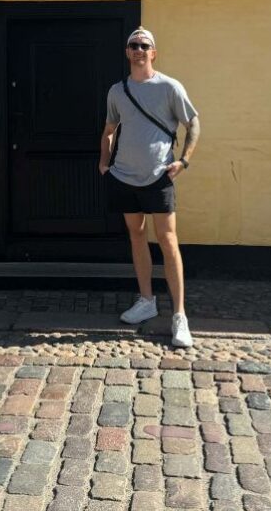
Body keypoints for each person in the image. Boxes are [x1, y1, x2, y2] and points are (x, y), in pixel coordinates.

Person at [98, 27, 201, 348]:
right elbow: (110, 128)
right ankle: (146, 300)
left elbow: (193, 122)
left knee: (168, 241)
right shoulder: (117, 91)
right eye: (134, 45)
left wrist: (183, 161)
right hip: (125, 176)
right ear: (127, 52)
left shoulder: (169, 87)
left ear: (153, 53)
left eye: (145, 45)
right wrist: (104, 162)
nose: (139, 49)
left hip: (159, 176)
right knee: (137, 235)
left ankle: (179, 316)